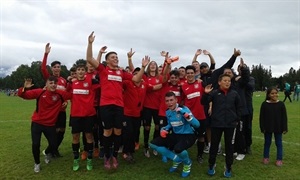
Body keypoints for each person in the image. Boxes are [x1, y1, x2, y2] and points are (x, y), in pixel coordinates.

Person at [86, 31, 149, 170]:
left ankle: (114, 155)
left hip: (119, 106)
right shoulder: (103, 70)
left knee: (118, 132)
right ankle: (107, 157)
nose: (116, 59)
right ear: (107, 60)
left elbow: (136, 79)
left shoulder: (121, 72)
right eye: (113, 57)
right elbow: (90, 58)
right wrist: (90, 43)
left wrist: (143, 67)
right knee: (108, 132)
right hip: (106, 106)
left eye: (117, 57)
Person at [18, 76, 71, 173]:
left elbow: (72, 95)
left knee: (54, 145)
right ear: (46, 84)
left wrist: (71, 84)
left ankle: (46, 153)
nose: (53, 85)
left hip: (50, 124)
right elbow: (23, 95)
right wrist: (25, 87)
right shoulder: (40, 92)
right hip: (37, 123)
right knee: (35, 144)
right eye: (51, 83)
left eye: (55, 83)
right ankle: (37, 163)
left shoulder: (60, 94)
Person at [149, 92, 200, 178]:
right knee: (153, 144)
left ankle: (187, 163)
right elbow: (170, 124)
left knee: (178, 149)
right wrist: (164, 129)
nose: (169, 103)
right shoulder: (168, 112)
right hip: (176, 134)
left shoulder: (184, 109)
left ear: (176, 100)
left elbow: (197, 124)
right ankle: (177, 159)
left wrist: (185, 114)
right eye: (167, 101)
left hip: (188, 135)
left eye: (171, 100)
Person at [202, 74, 242, 178]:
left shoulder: (234, 94)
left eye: (229, 80)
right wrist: (206, 94)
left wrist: (236, 119)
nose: (227, 82)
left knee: (229, 147)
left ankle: (228, 167)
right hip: (216, 124)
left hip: (230, 125)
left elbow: (239, 107)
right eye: (225, 80)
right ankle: (211, 165)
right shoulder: (214, 93)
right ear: (220, 82)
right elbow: (203, 102)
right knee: (214, 146)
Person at [67, 64, 100, 171]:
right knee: (75, 137)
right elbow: (66, 94)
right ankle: (76, 159)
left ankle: (89, 159)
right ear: (75, 72)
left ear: (85, 72)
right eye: (78, 70)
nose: (80, 71)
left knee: (89, 136)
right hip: (75, 115)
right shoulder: (72, 83)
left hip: (89, 115)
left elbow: (102, 85)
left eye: (82, 70)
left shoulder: (91, 81)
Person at [41, 43, 68, 157]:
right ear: (52, 69)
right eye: (55, 67)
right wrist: (46, 53)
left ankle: (54, 149)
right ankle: (51, 150)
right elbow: (42, 68)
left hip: (62, 110)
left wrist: (66, 101)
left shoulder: (63, 80)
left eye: (58, 67)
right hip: (52, 111)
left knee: (61, 131)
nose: (57, 68)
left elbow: (65, 94)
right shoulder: (50, 79)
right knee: (54, 131)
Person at [181, 65, 206, 164]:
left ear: (195, 73)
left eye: (192, 73)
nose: (190, 75)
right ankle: (184, 156)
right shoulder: (183, 86)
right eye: (188, 73)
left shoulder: (200, 84)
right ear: (186, 74)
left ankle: (200, 156)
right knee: (186, 136)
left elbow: (207, 95)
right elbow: (182, 100)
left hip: (201, 115)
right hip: (189, 117)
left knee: (201, 136)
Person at [259, 87, 288, 166]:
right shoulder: (264, 104)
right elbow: (262, 117)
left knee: (279, 143)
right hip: (267, 127)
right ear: (268, 94)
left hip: (278, 127)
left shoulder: (281, 104)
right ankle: (266, 157)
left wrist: (285, 128)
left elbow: (284, 117)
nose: (274, 95)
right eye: (272, 93)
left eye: (276, 93)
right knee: (267, 143)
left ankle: (279, 159)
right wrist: (262, 127)